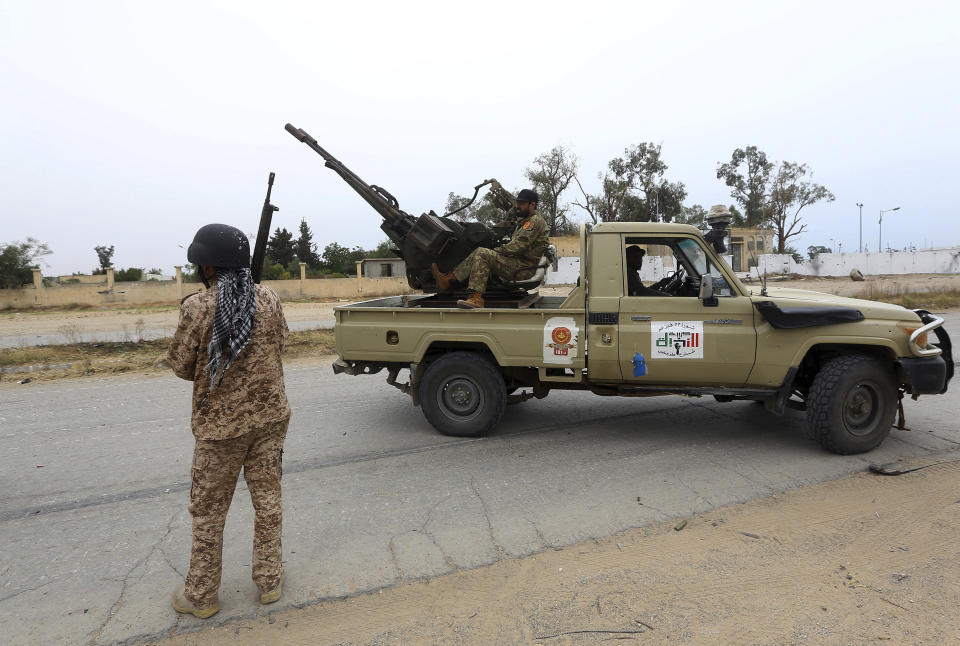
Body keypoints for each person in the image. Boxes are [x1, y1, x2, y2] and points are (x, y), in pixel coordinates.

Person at [166, 223, 291, 619]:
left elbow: (183, 367)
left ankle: (201, 595)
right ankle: (269, 580)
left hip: (221, 429)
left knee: (208, 511)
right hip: (271, 417)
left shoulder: (198, 306)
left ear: (207, 266)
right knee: (268, 500)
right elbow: (281, 344)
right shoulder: (268, 298)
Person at [432, 188, 550, 308]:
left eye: (521, 203)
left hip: (524, 268)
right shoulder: (525, 222)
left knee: (483, 254)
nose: (517, 206)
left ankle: (475, 299)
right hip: (519, 264)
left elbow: (517, 247)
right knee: (480, 251)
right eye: (517, 203)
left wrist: (496, 250)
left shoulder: (534, 222)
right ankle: (449, 280)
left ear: (532, 205)